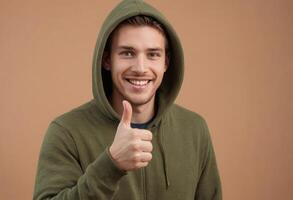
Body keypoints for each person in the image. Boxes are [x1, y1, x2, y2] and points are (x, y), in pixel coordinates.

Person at [33, 0, 222, 199]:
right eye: (127, 53)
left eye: (153, 54)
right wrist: (111, 164)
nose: (140, 68)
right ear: (107, 60)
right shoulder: (67, 132)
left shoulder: (194, 129)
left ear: (166, 62)